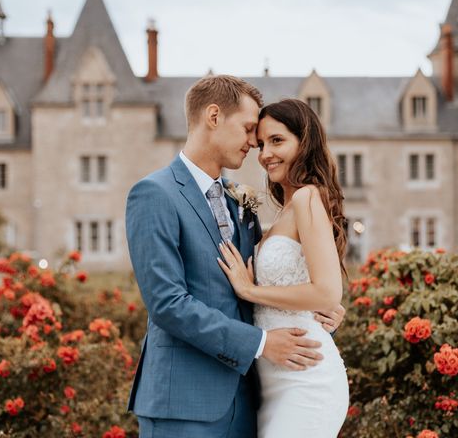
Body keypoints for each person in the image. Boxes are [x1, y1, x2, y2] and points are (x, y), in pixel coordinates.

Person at [125, 76, 345, 438]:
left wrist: (320, 308)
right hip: (184, 401)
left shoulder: (239, 201)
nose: (254, 146)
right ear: (213, 116)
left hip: (249, 401)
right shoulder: (154, 193)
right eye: (248, 131)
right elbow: (167, 303)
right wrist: (260, 344)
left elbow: (263, 280)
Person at [217, 98, 350, 437]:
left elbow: (327, 291)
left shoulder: (307, 198)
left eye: (277, 141)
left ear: (304, 142)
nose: (265, 154)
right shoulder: (284, 210)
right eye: (261, 144)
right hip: (273, 382)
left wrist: (249, 289)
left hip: (306, 379)